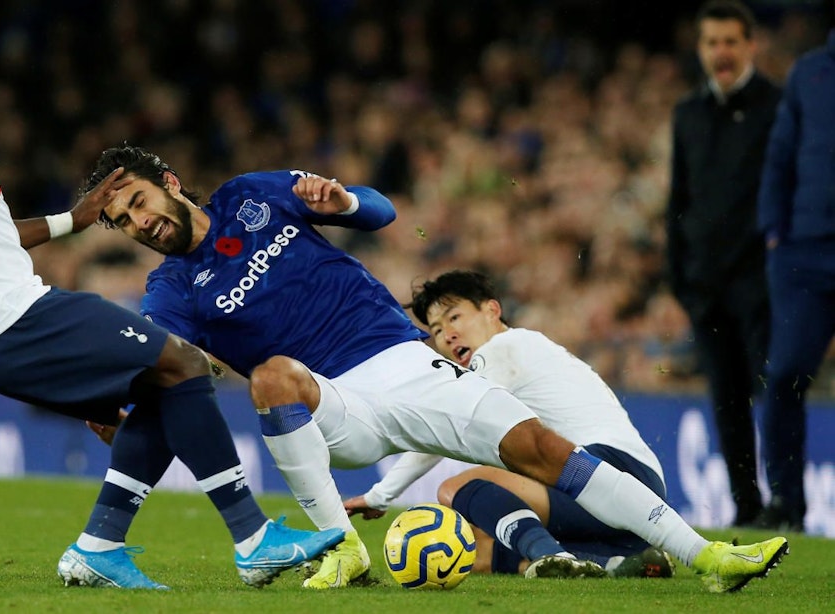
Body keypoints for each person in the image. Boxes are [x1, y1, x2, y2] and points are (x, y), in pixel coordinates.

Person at [83, 143, 788, 593]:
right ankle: (342, 550)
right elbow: (159, 361)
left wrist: (347, 201)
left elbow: (381, 214)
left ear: (170, 182)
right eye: (121, 221)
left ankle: (706, 557)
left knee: (544, 449)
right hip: (335, 404)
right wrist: (110, 397)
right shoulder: (170, 292)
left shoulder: (251, 194)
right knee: (270, 377)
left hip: (406, 362)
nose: (139, 224)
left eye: (138, 203)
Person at [0, 5, 343, 591]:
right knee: (184, 363)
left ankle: (99, 547)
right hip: (15, 317)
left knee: (165, 387)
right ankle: (252, 538)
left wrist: (75, 217)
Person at [343, 270, 674, 580]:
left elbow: (449, 421)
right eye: (438, 331)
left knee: (457, 489)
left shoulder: (503, 348)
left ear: (492, 310)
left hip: (611, 471)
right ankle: (612, 564)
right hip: (633, 499)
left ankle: (551, 556)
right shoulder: (527, 350)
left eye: (455, 317)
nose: (448, 335)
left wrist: (381, 494)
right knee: (483, 548)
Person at [665, 0, 781, 527]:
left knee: (776, 392)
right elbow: (679, 199)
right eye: (711, 42)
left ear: (751, 44)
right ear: (700, 49)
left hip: (763, 283)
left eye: (730, 41)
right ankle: (746, 506)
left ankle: (786, 500)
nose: (721, 52)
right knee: (727, 402)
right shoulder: (688, 113)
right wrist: (680, 277)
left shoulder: (777, 107)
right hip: (706, 286)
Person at [755, 24, 835, 533]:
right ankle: (785, 503)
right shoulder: (810, 72)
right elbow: (780, 155)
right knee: (784, 375)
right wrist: (773, 231)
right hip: (806, 250)